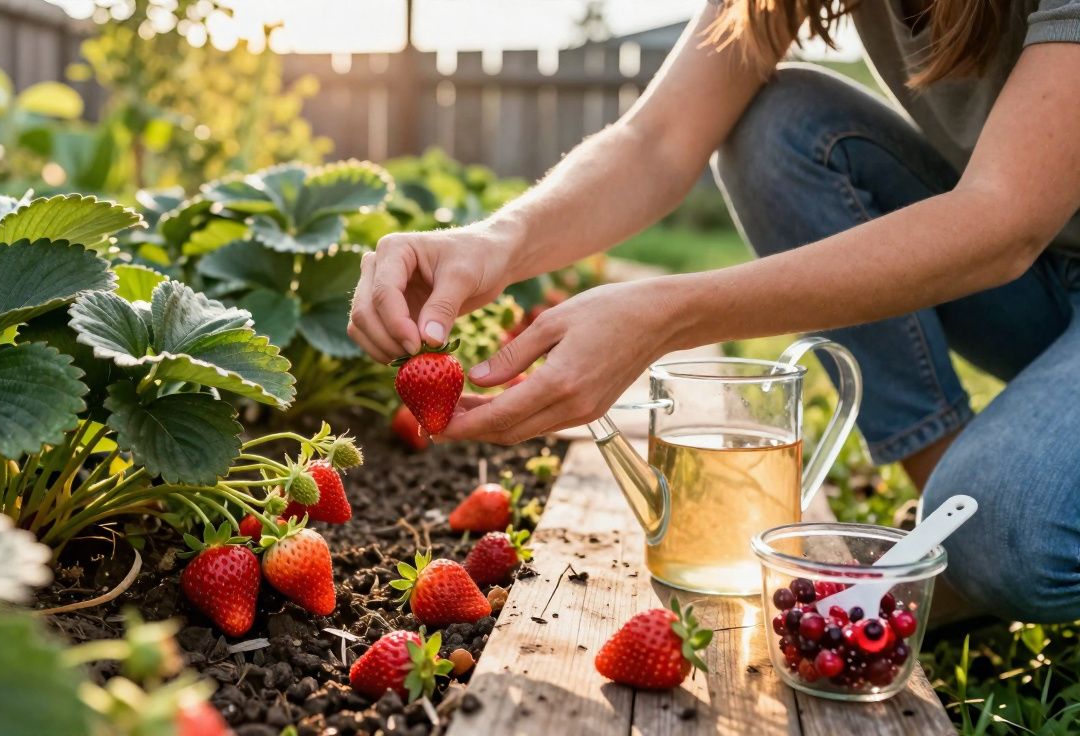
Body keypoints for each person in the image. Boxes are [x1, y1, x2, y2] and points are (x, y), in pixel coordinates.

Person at [348, 1, 1080, 623]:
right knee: (779, 126)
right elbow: (658, 139)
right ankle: (936, 546)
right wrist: (491, 241)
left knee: (1005, 530)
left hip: (1020, 235)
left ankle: (973, 544)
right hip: (1046, 273)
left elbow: (1003, 219)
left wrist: (668, 315)